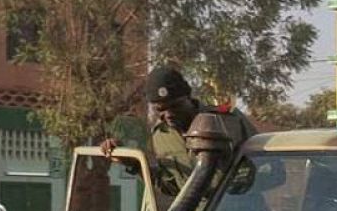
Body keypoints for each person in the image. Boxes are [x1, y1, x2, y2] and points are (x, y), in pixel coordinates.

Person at [102, 65, 258, 198]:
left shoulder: (229, 121)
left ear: (188, 98)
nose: (168, 114)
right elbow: (172, 188)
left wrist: (236, 184)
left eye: (175, 106)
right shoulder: (161, 136)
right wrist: (134, 165)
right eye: (160, 109)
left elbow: (273, 171)